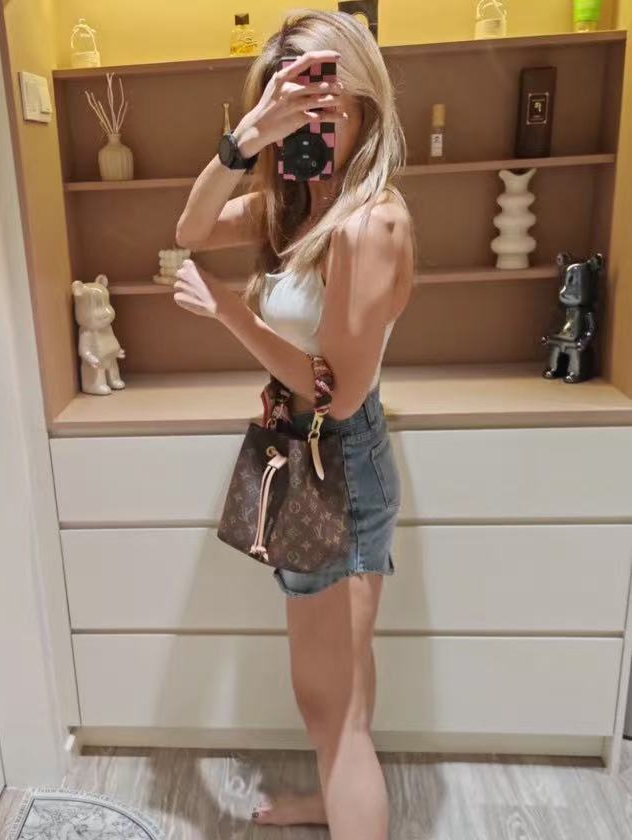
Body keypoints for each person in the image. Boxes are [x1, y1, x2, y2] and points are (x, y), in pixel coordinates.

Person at [173, 10, 413, 840]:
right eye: (292, 95)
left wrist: (232, 316)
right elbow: (190, 229)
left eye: (325, 92)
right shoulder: (294, 204)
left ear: (364, 96)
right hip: (308, 457)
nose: (311, 115)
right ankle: (331, 799)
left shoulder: (369, 224)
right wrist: (246, 138)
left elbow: (336, 396)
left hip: (340, 459)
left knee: (329, 708)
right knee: (338, 697)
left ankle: (345, 802)